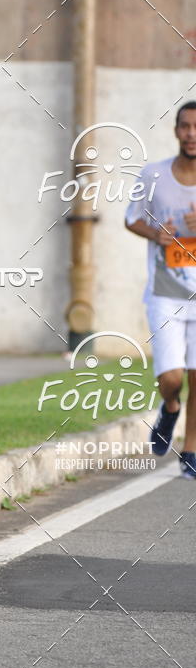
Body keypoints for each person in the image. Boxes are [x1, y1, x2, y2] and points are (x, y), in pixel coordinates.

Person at [125, 101, 196, 479]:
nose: (192, 134)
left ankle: (191, 451)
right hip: (166, 292)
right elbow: (131, 218)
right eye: (185, 126)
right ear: (176, 130)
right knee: (173, 377)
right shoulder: (153, 175)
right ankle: (170, 407)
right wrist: (158, 233)